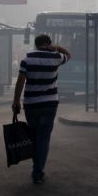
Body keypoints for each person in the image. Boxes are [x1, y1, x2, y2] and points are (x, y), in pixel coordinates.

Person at [12, 34, 71, 184]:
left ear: (36, 44)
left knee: (33, 136)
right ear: (48, 43)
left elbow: (20, 81)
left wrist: (16, 101)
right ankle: (38, 171)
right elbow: (69, 55)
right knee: (43, 138)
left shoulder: (27, 59)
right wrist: (56, 47)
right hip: (49, 104)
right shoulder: (56, 57)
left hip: (31, 104)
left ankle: (36, 167)